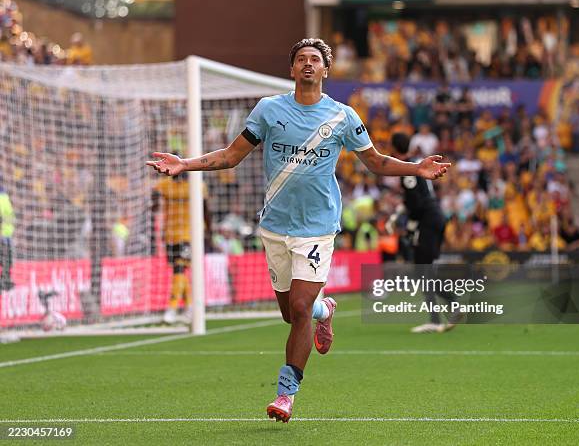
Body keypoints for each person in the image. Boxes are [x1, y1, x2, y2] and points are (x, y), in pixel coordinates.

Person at [147, 38, 450, 422]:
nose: (308, 64)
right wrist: (184, 164)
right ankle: (327, 311)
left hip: (318, 226)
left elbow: (374, 162)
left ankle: (286, 393)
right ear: (292, 70)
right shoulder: (269, 110)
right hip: (275, 225)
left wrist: (416, 168)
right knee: (293, 315)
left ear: (326, 70)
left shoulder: (342, 116)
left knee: (301, 306)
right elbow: (230, 156)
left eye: (315, 60)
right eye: (301, 60)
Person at [390, 133, 459, 333]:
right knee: (425, 270)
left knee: (421, 271)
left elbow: (416, 203)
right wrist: (399, 214)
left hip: (427, 221)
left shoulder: (407, 170)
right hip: (436, 218)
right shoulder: (416, 164)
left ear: (394, 149)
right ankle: (442, 315)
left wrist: (410, 224)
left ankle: (448, 309)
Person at [152, 171, 211, 324]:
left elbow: (205, 209)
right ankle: (190, 306)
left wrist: (209, 231)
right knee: (179, 271)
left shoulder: (197, 185)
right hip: (170, 234)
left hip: (190, 234)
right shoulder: (164, 185)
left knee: (179, 268)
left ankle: (172, 308)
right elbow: (154, 204)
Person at [0, 185, 15, 291]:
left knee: (6, 259)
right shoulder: (6, 199)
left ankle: (5, 281)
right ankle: (5, 280)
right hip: (6, 236)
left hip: (4, 236)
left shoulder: (3, 199)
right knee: (7, 260)